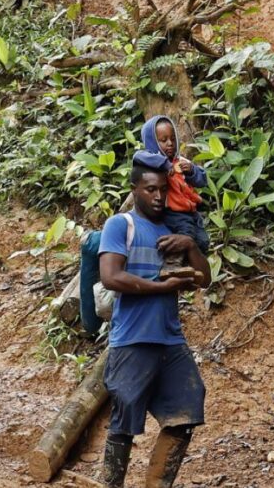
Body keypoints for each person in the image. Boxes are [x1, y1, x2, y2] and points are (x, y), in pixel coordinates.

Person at [97, 161, 211, 488]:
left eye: (163, 189)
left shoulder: (172, 233)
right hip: (132, 338)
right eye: (151, 189)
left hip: (170, 339)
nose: (159, 196)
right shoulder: (121, 224)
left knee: (187, 410)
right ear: (135, 190)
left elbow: (204, 280)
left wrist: (189, 245)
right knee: (123, 423)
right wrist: (158, 287)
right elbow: (111, 276)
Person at [136, 115, 210, 277]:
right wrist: (164, 164)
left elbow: (202, 180)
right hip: (173, 211)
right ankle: (171, 265)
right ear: (153, 142)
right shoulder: (154, 161)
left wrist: (191, 170)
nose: (169, 144)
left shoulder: (181, 160)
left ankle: (188, 266)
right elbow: (138, 157)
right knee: (185, 233)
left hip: (190, 211)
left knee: (203, 241)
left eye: (172, 139)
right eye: (163, 140)